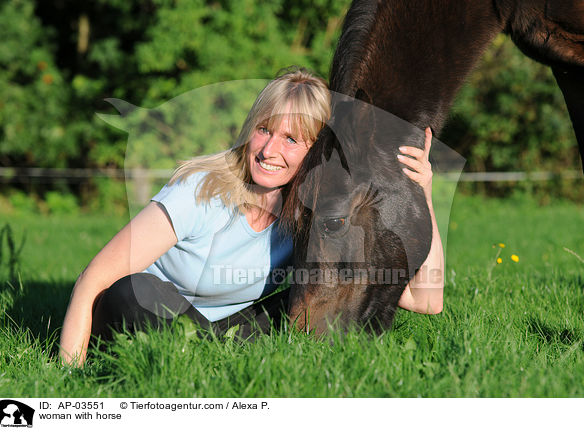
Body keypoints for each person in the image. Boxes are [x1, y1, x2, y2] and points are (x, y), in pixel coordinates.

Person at [59, 67, 442, 367]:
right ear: (250, 130)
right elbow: (94, 279)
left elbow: (427, 302)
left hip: (221, 332)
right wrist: (67, 378)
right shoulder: (200, 191)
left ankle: (206, 367)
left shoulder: (311, 217)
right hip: (149, 316)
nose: (269, 150)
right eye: (264, 130)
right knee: (135, 291)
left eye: (291, 139)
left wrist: (422, 188)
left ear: (315, 151)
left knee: (296, 309)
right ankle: (176, 363)